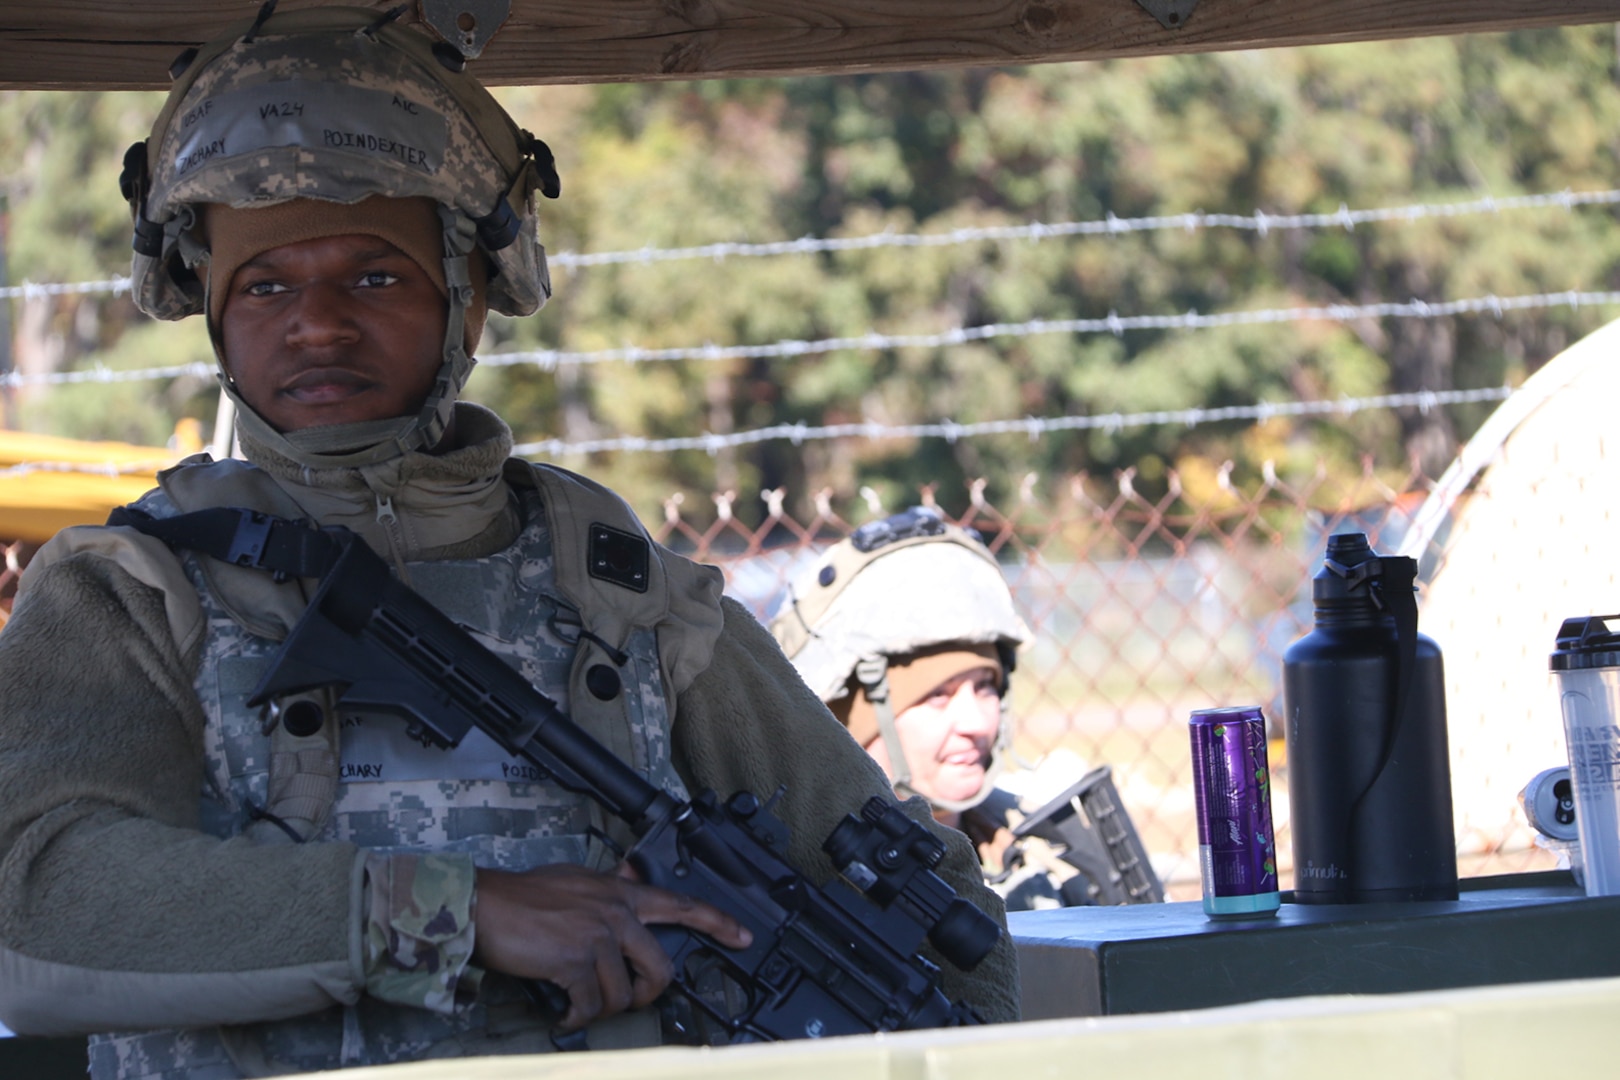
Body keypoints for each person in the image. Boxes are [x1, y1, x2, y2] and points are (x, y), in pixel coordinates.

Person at [0, 7, 1018, 1077]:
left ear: (467, 296)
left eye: (376, 274)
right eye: (266, 284)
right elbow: (33, 902)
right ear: (212, 308)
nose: (318, 322)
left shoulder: (623, 593)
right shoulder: (134, 591)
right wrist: (449, 917)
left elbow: (912, 902)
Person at [770, 506, 1164, 911]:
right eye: (937, 696)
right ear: (850, 721)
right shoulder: (794, 876)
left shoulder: (1047, 854)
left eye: (984, 687)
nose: (977, 723)